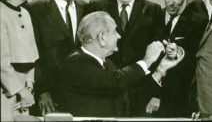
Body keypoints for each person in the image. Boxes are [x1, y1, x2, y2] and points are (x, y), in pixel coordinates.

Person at [56, 11, 184, 117]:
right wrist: (148, 60)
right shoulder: (76, 65)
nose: (119, 36)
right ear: (102, 38)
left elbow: (132, 100)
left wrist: (160, 69)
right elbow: (115, 83)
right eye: (114, 31)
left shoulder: (108, 65)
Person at [25, 0, 87, 115]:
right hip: (48, 96)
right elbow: (32, 55)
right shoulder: (35, 10)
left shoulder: (85, 8)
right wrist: (42, 91)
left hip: (79, 95)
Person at [145, 0, 208, 117]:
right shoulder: (158, 17)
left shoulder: (197, 21)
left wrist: (178, 52)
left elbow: (191, 58)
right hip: (154, 99)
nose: (171, 2)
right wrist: (154, 93)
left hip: (180, 99)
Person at [1, 0, 38, 121]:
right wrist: (20, 92)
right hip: (6, 93)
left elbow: (32, 56)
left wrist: (29, 86)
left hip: (24, 94)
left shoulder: (26, 13)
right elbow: (1, 62)